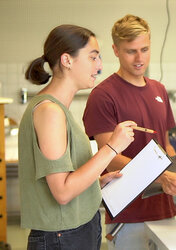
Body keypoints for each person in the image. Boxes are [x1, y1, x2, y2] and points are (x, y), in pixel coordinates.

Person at [18, 24, 136, 250]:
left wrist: (96, 183)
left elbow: (64, 181)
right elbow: (62, 192)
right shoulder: (50, 112)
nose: (100, 67)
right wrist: (111, 148)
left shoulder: (57, 109)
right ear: (67, 60)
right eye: (93, 58)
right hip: (62, 238)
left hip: (72, 232)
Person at [83, 14, 176, 250]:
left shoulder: (159, 90)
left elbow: (166, 145)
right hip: (128, 212)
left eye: (144, 49)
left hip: (164, 207)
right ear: (115, 50)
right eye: (130, 51)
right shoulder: (103, 95)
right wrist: (161, 176)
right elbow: (110, 159)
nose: (139, 58)